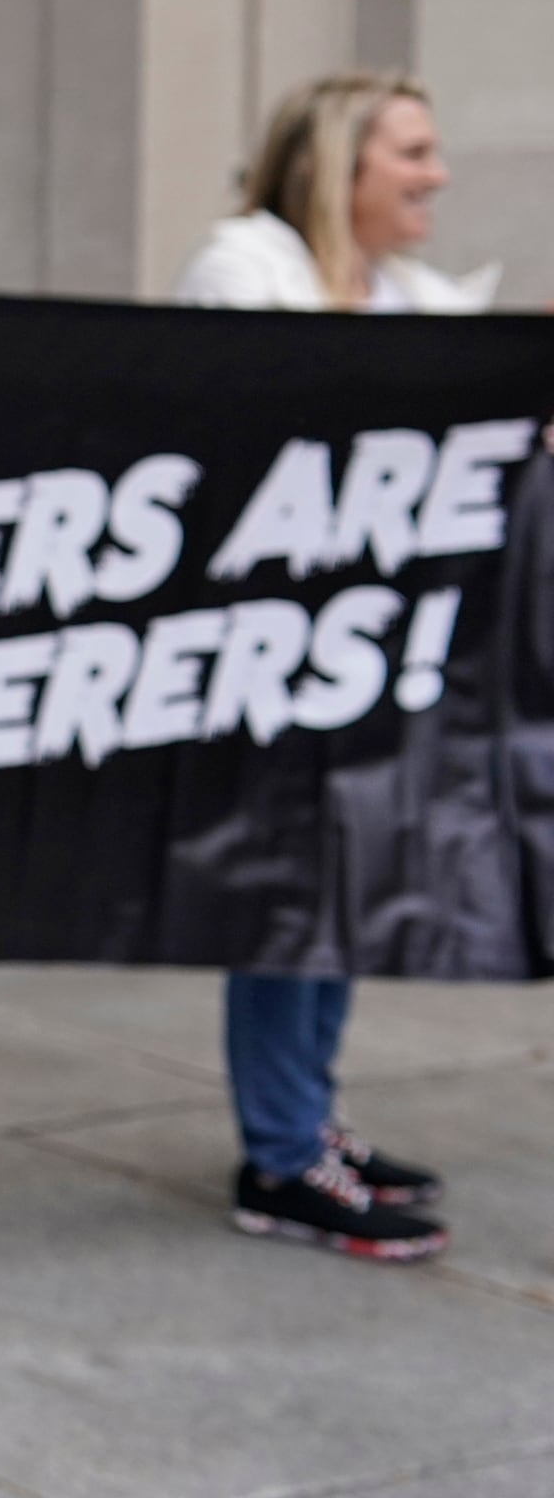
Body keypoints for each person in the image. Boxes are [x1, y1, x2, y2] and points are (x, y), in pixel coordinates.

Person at [175, 74, 489, 1261]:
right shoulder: (244, 266)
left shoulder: (413, 297)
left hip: (370, 662)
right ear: (338, 163)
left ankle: (308, 1120)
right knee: (287, 900)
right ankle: (279, 1157)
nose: (437, 176)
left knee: (342, 894)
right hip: (272, 658)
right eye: (412, 150)